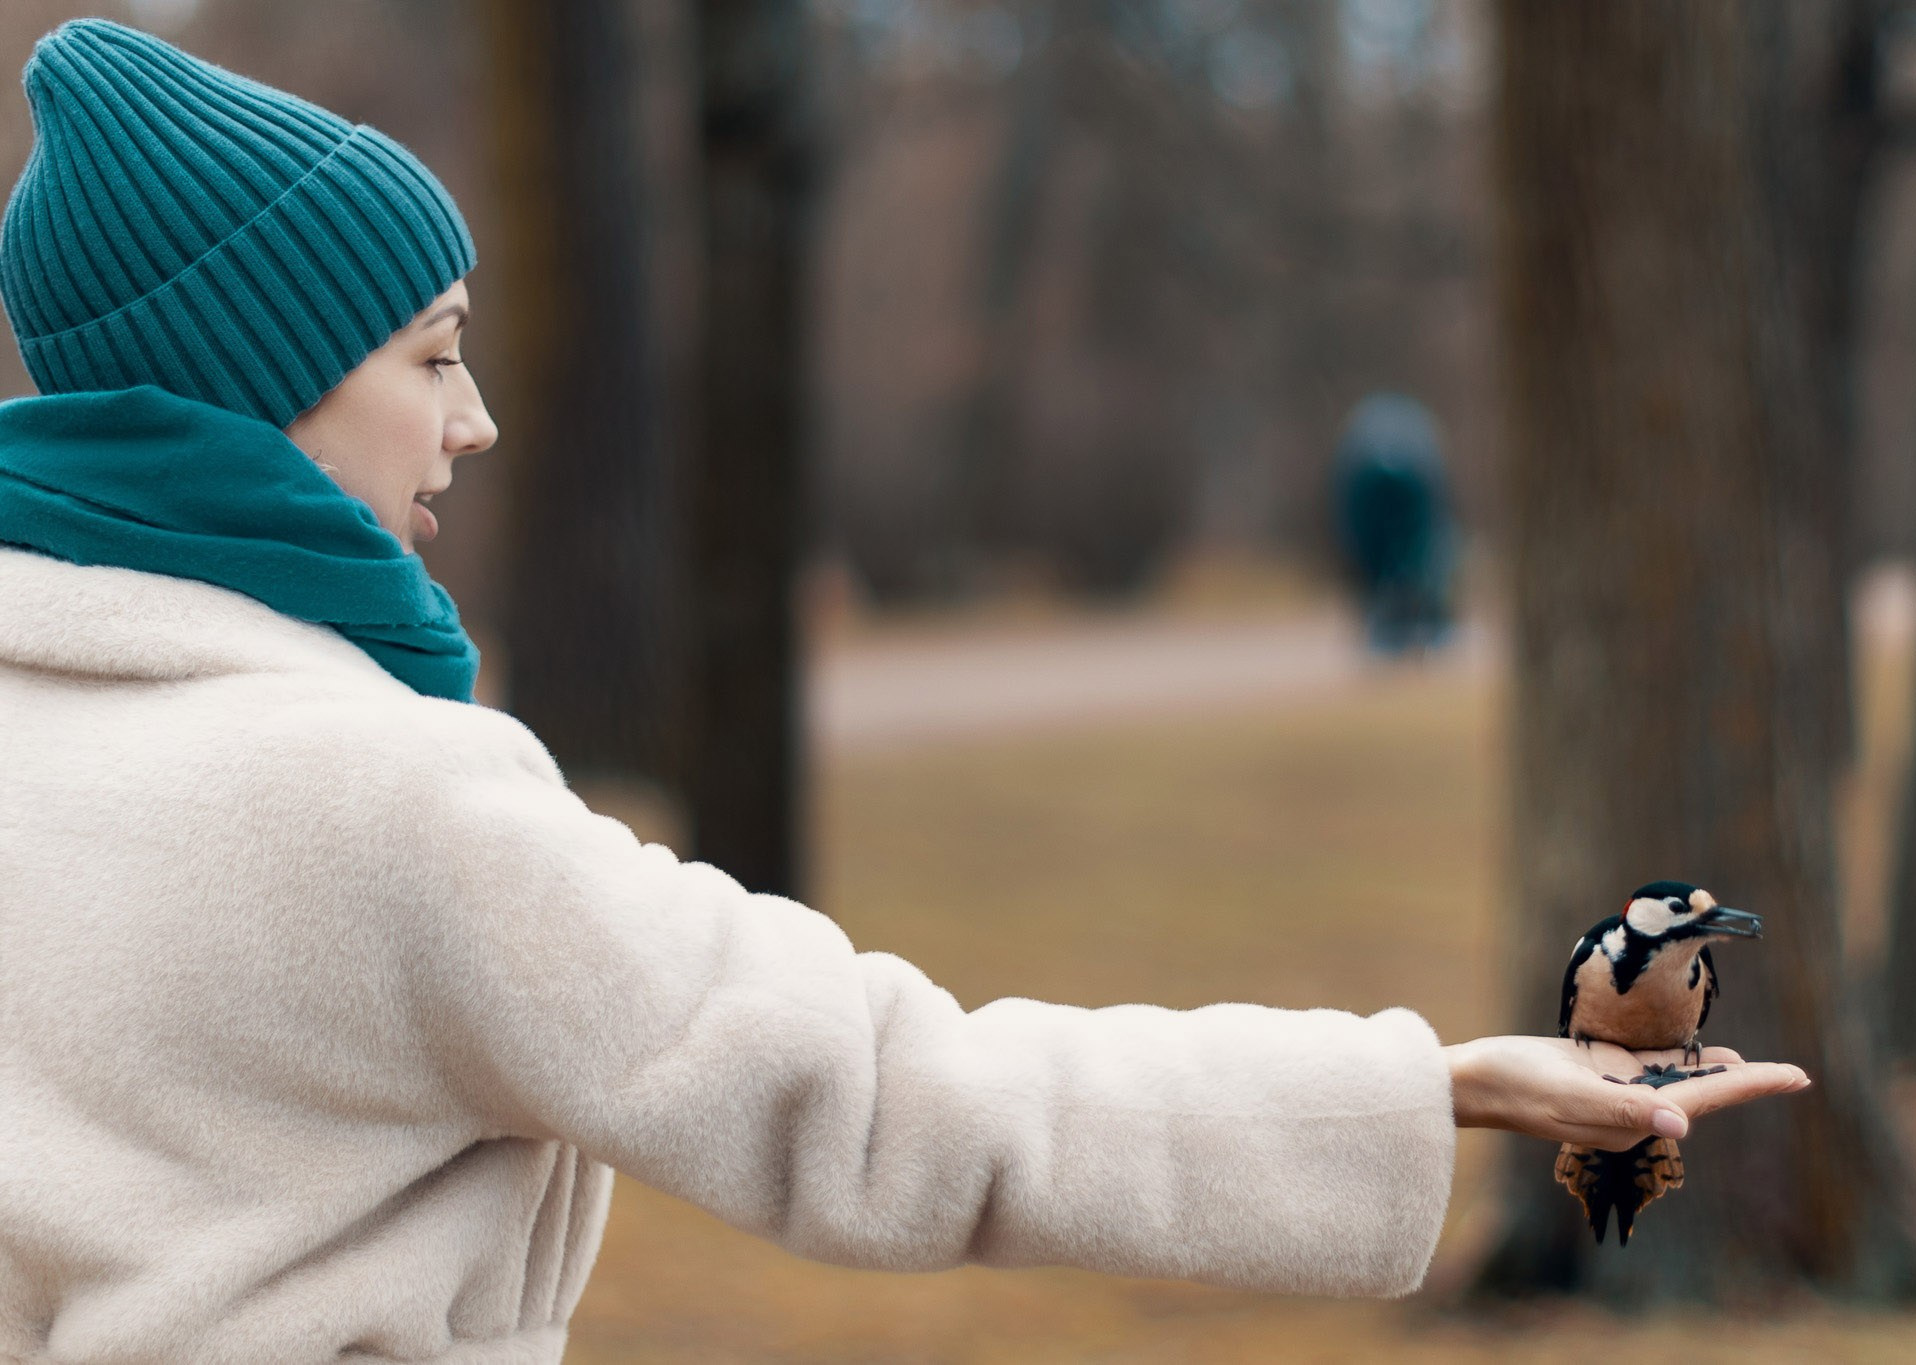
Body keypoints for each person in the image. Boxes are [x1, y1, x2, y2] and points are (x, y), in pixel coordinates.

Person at [0, 20, 1808, 1363]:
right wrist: (1431, 1092)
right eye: (431, 357)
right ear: (258, 381)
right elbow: (896, 1104)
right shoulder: (385, 804)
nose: (471, 418)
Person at [1330, 392, 1460, 655]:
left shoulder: (1375, 453)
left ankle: (1411, 620)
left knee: (1413, 561)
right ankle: (1405, 621)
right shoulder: (1406, 453)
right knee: (1411, 562)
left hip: (1393, 506)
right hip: (1390, 508)